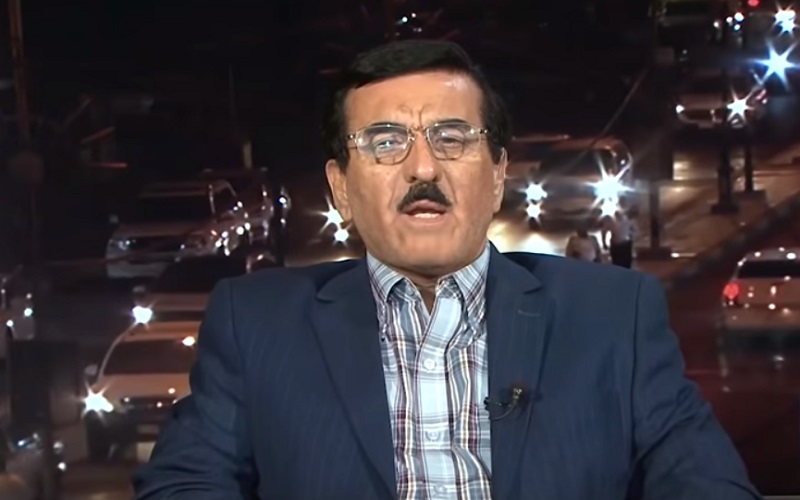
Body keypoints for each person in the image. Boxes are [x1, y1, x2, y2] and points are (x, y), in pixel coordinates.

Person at [133, 40, 759, 499]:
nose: (423, 168)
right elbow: (183, 484)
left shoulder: (613, 315)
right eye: (385, 143)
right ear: (341, 189)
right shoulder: (256, 323)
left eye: (452, 138)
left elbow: (705, 481)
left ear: (498, 175)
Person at [602, 203, 637, 268]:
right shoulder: (612, 221)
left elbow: (604, 232)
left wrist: (604, 243)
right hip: (619, 245)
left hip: (622, 245)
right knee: (620, 263)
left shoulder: (627, 221)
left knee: (622, 263)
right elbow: (604, 232)